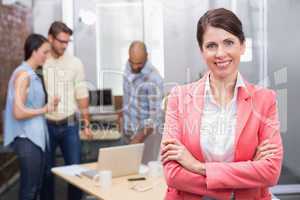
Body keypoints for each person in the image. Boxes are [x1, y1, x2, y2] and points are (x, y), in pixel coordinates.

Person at [161, 8, 283, 200]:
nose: (220, 53)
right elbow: (173, 174)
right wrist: (241, 182)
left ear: (242, 46)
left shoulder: (264, 100)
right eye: (211, 45)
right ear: (202, 51)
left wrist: (196, 166)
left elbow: (271, 172)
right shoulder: (179, 98)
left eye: (229, 43)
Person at [4, 34, 59, 200]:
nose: (47, 56)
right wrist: (44, 109)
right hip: (27, 139)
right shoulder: (23, 76)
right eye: (45, 52)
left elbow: (29, 106)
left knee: (35, 188)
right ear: (33, 51)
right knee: (30, 190)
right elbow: (18, 112)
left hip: (35, 138)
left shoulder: (31, 74)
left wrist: (48, 105)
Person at [40, 21, 92, 200]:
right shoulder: (42, 61)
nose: (64, 45)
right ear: (50, 38)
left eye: (67, 42)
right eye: (61, 41)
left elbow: (82, 93)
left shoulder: (75, 63)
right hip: (45, 124)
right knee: (46, 173)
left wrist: (86, 123)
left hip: (70, 124)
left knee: (75, 172)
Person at [122, 41, 164, 164]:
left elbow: (155, 117)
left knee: (144, 172)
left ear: (147, 56)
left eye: (139, 63)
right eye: (132, 62)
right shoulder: (128, 66)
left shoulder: (154, 79)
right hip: (128, 130)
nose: (135, 67)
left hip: (147, 135)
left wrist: (138, 139)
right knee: (127, 170)